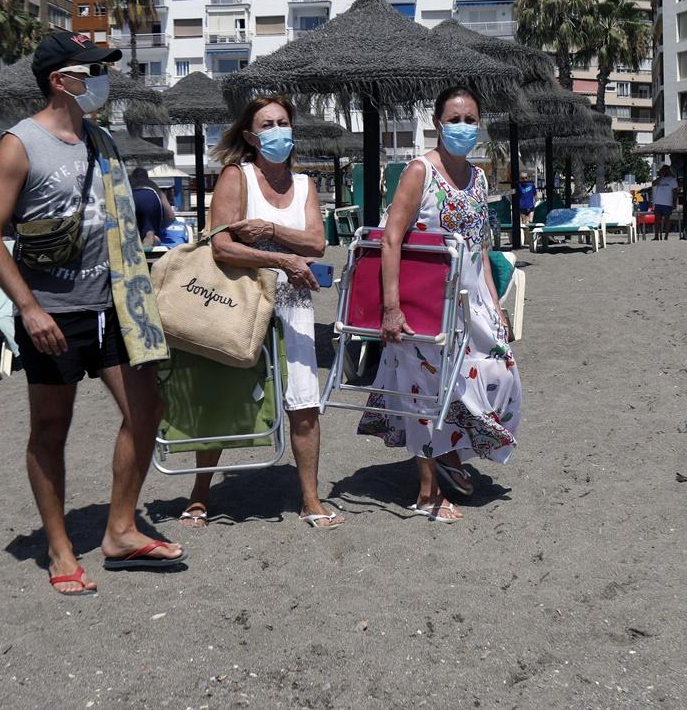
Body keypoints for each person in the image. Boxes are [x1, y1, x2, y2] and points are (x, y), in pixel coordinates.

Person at [0, 31, 180, 596]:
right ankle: (60, 547)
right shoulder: (22, 144)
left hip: (114, 305)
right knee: (49, 428)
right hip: (53, 311)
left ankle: (118, 529)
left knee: (147, 408)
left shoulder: (102, 140)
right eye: (92, 71)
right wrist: (28, 308)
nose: (101, 80)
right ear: (60, 80)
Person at [357, 86, 522, 523]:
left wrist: (495, 304)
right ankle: (428, 492)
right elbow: (391, 237)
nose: (464, 127)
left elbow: (481, 245)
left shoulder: (480, 178)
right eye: (455, 119)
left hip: (471, 301)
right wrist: (392, 309)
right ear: (437, 123)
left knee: (498, 376)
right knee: (425, 391)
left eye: (471, 119)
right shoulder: (419, 171)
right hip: (425, 299)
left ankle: (449, 454)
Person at [182, 94, 343, 530]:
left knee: (304, 401)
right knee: (224, 394)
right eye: (268, 125)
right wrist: (282, 259)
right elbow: (221, 244)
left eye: (283, 122)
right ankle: (199, 495)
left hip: (294, 306)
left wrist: (271, 231)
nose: (278, 131)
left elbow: (316, 244)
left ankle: (310, 499)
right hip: (242, 301)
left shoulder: (306, 185)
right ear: (251, 136)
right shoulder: (238, 177)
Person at [129, 167, 175, 247]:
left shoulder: (128, 184)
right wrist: (161, 227)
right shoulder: (153, 185)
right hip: (150, 195)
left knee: (133, 231)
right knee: (149, 230)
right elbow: (170, 216)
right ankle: (150, 236)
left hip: (131, 195)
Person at [651, 164, 678, 240]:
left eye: (664, 170)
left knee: (667, 220)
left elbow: (675, 193)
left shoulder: (672, 180)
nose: (662, 171)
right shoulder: (660, 179)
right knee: (657, 220)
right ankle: (656, 236)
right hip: (658, 202)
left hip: (667, 203)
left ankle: (666, 236)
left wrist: (674, 203)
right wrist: (661, 177)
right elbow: (653, 184)